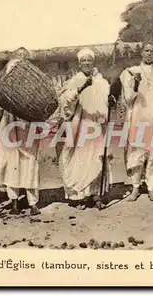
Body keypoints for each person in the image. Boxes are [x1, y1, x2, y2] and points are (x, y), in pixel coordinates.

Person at [58, 48, 115, 210]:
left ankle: (96, 194)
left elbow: (107, 100)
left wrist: (110, 101)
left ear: (93, 62)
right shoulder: (75, 81)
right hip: (80, 124)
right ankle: (81, 196)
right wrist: (81, 88)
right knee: (81, 158)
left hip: (97, 125)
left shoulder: (101, 81)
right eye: (83, 61)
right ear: (79, 64)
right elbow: (65, 104)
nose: (86, 63)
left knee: (96, 158)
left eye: (89, 60)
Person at [119, 41, 153, 202]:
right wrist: (135, 83)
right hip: (138, 118)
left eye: (151, 51)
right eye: (146, 51)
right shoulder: (130, 72)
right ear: (141, 53)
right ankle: (135, 187)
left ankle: (151, 188)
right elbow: (127, 100)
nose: (148, 53)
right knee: (137, 154)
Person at [0, 47, 42, 215]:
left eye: (24, 57)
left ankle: (32, 202)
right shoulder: (6, 80)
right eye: (18, 56)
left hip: (28, 125)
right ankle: (14, 201)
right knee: (11, 162)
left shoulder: (34, 80)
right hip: (9, 125)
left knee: (30, 162)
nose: (21, 59)